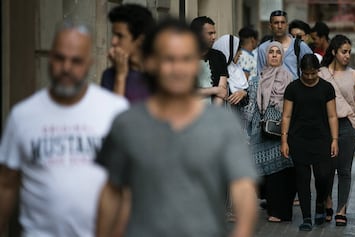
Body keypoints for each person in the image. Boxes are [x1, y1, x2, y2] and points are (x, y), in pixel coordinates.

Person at [95, 19, 258, 237]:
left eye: (186, 59)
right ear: (151, 63)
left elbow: (243, 189)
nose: (178, 68)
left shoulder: (222, 125)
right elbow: (111, 193)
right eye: (169, 59)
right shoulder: (127, 123)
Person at [0, 21, 128, 236]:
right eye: (60, 58)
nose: (66, 68)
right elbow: (6, 184)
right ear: (50, 58)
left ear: (89, 63)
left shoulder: (114, 110)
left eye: (76, 61)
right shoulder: (22, 116)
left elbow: (127, 188)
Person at [281, 54, 339, 231]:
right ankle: (306, 217)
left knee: (323, 176)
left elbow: (332, 115)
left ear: (318, 71)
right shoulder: (292, 88)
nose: (310, 77)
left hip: (322, 139)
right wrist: (284, 139)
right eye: (306, 74)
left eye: (313, 73)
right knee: (303, 179)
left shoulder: (326, 88)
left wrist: (335, 139)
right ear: (301, 72)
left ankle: (321, 202)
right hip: (298, 139)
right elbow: (286, 115)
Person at [319, 34, 355, 226]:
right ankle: (328, 201)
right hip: (325, 127)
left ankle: (342, 209)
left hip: (347, 126)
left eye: (349, 52)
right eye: (343, 52)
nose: (347, 56)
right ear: (334, 52)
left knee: (344, 170)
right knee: (326, 170)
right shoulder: (322, 73)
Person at [245, 41, 295, 223]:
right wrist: (246, 132)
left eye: (278, 52)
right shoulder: (256, 80)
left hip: (282, 132)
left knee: (280, 174)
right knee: (260, 172)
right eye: (271, 52)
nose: (274, 55)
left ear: (282, 56)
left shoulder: (290, 80)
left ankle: (278, 211)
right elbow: (250, 108)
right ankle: (267, 206)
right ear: (266, 56)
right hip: (260, 131)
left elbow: (294, 109)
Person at [101, 4, 155, 103]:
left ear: (140, 40)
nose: (113, 41)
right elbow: (113, 115)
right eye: (114, 35)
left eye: (120, 36)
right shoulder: (110, 75)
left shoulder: (160, 74)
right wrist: (120, 76)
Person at [257, 10, 313, 79]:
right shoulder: (263, 48)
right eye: (276, 23)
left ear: (287, 25)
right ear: (270, 26)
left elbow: (312, 68)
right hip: (271, 88)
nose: (280, 26)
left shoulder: (300, 46)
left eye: (282, 23)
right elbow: (260, 75)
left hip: (296, 88)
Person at [191, 16, 228, 105]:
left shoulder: (219, 56)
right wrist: (214, 90)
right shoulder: (184, 57)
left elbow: (222, 90)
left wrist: (214, 114)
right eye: (210, 33)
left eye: (214, 33)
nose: (214, 37)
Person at [213, 35, 249, 111]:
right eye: (238, 49)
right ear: (228, 50)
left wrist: (244, 93)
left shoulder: (236, 69)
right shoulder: (216, 70)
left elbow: (247, 93)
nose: (241, 53)